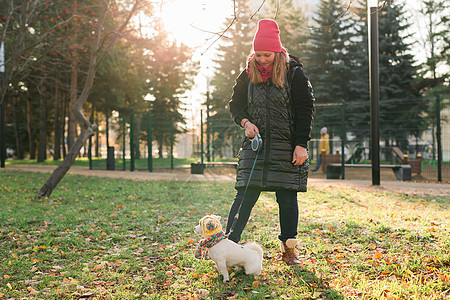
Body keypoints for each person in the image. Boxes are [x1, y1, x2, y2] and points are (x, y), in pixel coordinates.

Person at [225, 19, 315, 266]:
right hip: (256, 147)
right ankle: (229, 246)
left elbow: (305, 109)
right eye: (258, 54)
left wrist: (301, 144)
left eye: (267, 55)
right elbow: (235, 105)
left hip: (286, 148)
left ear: (277, 52)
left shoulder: (294, 73)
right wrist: (245, 123)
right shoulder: (247, 74)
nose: (262, 60)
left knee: (287, 199)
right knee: (244, 197)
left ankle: (289, 250)